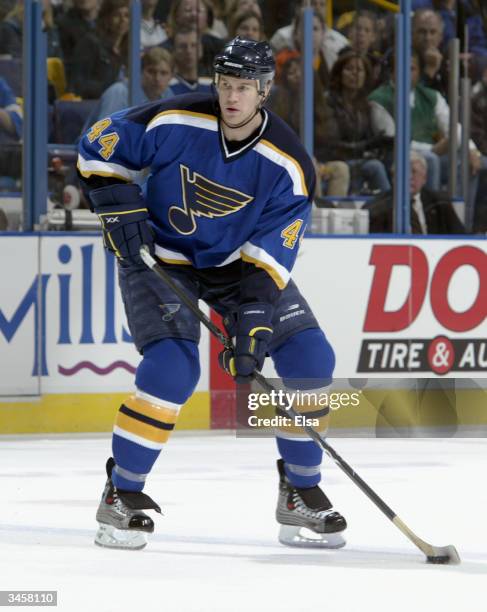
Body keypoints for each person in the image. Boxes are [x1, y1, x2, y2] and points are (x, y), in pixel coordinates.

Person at [78, 36, 347, 550]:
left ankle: (300, 491)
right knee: (174, 368)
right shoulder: (176, 119)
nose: (231, 96)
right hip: (161, 260)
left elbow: (270, 259)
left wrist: (252, 321)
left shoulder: (289, 165)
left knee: (311, 357)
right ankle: (121, 494)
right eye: (225, 84)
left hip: (236, 267)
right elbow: (98, 144)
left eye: (244, 87)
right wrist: (116, 199)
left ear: (265, 90)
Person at [320, 51, 392, 194]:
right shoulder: (328, 102)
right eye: (349, 69)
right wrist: (367, 146)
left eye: (359, 70)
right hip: (334, 161)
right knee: (375, 167)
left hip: (357, 159)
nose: (355, 74)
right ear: (339, 74)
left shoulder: (366, 106)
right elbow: (331, 144)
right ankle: (389, 207)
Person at [366, 151, 466, 233]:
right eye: (404, 171)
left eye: (414, 172)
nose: (409, 177)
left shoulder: (440, 203)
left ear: (424, 178)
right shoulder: (378, 207)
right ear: (393, 178)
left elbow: (462, 238)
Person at [85, 47, 175, 125]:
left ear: (171, 76)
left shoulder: (168, 94)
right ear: (140, 71)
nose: (157, 78)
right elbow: (105, 135)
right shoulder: (119, 93)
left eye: (164, 73)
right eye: (151, 71)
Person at [71, 0, 129, 99]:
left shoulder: (130, 48)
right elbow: (78, 85)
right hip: (95, 102)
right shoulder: (90, 43)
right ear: (106, 18)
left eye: (127, 15)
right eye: (117, 15)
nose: (122, 20)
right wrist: (112, 86)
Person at [167, 26, 213, 95]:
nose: (189, 51)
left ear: (201, 49)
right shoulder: (165, 86)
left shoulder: (213, 86)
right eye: (182, 46)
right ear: (174, 51)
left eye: (194, 45)